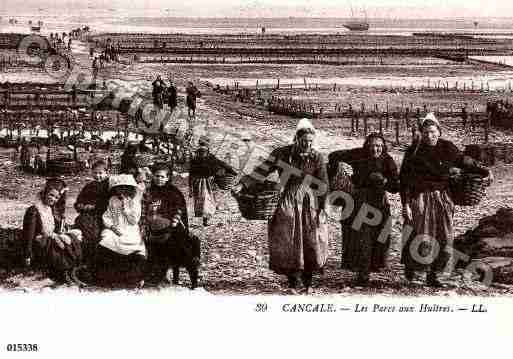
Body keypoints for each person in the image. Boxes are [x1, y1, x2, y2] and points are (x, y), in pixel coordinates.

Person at [233, 118, 329, 294]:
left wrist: (322, 207)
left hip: (309, 200)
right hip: (287, 198)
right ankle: (292, 278)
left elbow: (323, 184)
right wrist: (243, 184)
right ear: (296, 139)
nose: (307, 145)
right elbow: (262, 170)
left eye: (310, 141)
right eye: (304, 141)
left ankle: (307, 279)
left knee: (310, 238)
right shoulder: (282, 154)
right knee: (286, 236)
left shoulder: (317, 157)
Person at [400, 113, 492, 287]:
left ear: (439, 132)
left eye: (433, 132)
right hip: (419, 197)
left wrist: (485, 171)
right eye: (426, 132)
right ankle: (412, 266)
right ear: (421, 133)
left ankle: (433, 274)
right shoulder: (414, 151)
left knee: (443, 234)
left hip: (443, 197)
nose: (430, 136)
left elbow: (465, 161)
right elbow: (404, 179)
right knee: (418, 233)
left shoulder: (447, 148)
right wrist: (406, 204)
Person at [328, 133, 400, 286]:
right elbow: (333, 156)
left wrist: (385, 181)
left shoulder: (387, 160)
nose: (376, 149)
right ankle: (363, 273)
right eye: (373, 145)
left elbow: (395, 186)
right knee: (362, 238)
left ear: (383, 147)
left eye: (379, 146)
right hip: (358, 202)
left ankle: (372, 267)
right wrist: (337, 170)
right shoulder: (358, 155)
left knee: (379, 237)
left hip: (379, 204)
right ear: (367, 145)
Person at [143, 163, 200, 288]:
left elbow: (179, 209)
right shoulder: (149, 191)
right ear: (153, 176)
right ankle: (157, 276)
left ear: (168, 178)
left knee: (180, 250)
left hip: (172, 227)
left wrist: (174, 220)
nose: (159, 179)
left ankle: (192, 281)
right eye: (157, 176)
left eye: (162, 177)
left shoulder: (174, 192)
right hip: (153, 227)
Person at [22, 178, 82, 282]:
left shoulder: (51, 208)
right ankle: (63, 273)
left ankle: (71, 271)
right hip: (40, 243)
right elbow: (29, 234)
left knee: (71, 238)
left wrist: (63, 226)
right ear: (45, 193)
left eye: (56, 197)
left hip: (49, 238)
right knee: (56, 245)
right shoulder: (34, 210)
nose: (53, 199)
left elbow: (56, 227)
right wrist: (27, 254)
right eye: (51, 195)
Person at [95, 174, 146, 287]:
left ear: (130, 188)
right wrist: (111, 226)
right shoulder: (113, 200)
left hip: (129, 228)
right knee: (106, 238)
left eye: (124, 187)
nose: (121, 191)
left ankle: (131, 276)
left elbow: (134, 221)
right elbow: (107, 216)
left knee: (133, 243)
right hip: (115, 227)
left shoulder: (134, 201)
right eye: (119, 188)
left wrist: (126, 209)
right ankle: (110, 275)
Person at [74, 160, 110, 263]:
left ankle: (93, 260)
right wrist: (80, 205)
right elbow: (78, 201)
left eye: (100, 173)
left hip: (100, 216)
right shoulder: (89, 186)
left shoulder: (109, 186)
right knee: (79, 235)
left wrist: (94, 207)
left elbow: (108, 204)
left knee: (93, 236)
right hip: (85, 216)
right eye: (95, 173)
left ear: (107, 172)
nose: (97, 176)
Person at [189, 135, 226, 226]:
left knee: (203, 200)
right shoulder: (205, 154)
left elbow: (192, 171)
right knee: (206, 200)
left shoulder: (196, 156)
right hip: (204, 180)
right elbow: (213, 165)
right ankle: (206, 219)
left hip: (198, 180)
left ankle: (206, 218)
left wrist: (190, 184)